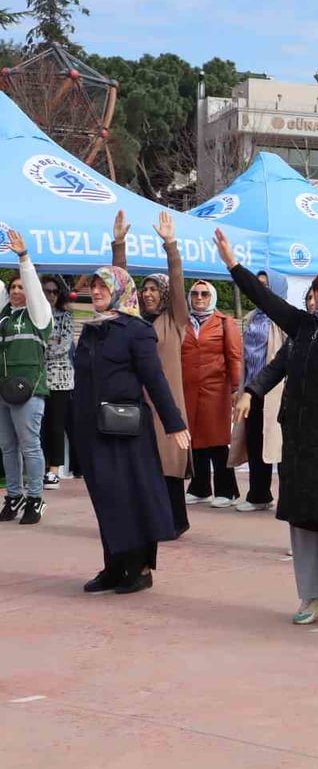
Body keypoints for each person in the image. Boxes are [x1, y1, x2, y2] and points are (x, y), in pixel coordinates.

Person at [217, 227, 318, 630]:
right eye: (317, 286)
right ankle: (313, 594)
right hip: (302, 439)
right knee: (304, 520)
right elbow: (267, 302)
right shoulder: (305, 327)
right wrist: (234, 265)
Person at [76, 264, 190, 593]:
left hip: (125, 430)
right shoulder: (92, 329)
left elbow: (155, 380)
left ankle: (139, 568)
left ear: (119, 291)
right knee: (106, 499)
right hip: (92, 430)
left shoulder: (136, 330)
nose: (96, 291)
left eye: (103, 286)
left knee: (132, 497)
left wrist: (174, 424)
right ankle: (113, 567)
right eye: (94, 286)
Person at [112, 210, 194, 536]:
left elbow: (177, 282)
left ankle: (176, 521)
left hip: (167, 405)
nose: (147, 294)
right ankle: (151, 520)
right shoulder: (133, 322)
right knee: (143, 465)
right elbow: (119, 286)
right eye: (143, 290)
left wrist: (171, 245)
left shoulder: (174, 321)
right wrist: (119, 244)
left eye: (153, 290)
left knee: (169, 466)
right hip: (137, 403)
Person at [0, 230, 53, 525]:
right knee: (7, 447)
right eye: (13, 287)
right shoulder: (4, 314)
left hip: (30, 391)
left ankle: (35, 499)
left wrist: (23, 258)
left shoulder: (39, 314)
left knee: (29, 445)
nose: (18, 290)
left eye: (22, 286)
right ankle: (14, 496)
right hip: (3, 391)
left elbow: (33, 288)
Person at [228, 271, 287, 512]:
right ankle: (258, 494)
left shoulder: (284, 318)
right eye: (257, 285)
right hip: (252, 391)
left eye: (264, 285)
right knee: (254, 442)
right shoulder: (253, 316)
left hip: (277, 393)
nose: (260, 289)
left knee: (280, 446)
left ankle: (288, 499)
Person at [182, 278, 242, 508]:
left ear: (212, 298)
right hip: (189, 391)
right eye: (195, 294)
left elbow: (235, 357)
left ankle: (227, 490)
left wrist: (236, 388)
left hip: (216, 391)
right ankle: (199, 488)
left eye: (204, 294)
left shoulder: (224, 323)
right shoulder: (183, 322)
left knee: (217, 442)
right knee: (195, 440)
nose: (199, 298)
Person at [39, 274, 73, 491]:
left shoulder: (65, 316)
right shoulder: (35, 315)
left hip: (60, 378)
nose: (50, 295)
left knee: (56, 425)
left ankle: (54, 470)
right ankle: (39, 467)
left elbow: (63, 346)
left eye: (54, 291)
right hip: (37, 377)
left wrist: (42, 348)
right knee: (37, 425)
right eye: (46, 291)